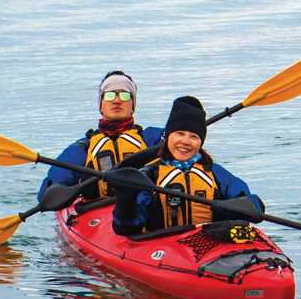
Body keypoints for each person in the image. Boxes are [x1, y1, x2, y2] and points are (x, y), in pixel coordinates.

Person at [112, 95, 263, 236]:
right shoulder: (150, 175)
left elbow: (254, 204)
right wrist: (125, 200)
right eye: (180, 133)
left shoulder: (215, 173)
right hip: (162, 249)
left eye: (194, 136)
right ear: (168, 136)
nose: (185, 141)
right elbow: (127, 227)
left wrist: (234, 208)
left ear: (200, 143)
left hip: (208, 245)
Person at [37, 70, 164, 203]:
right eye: (109, 95)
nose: (117, 100)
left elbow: (180, 135)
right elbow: (45, 194)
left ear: (133, 105)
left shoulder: (152, 139)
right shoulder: (82, 149)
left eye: (125, 95)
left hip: (143, 210)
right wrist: (59, 190)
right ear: (101, 106)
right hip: (96, 212)